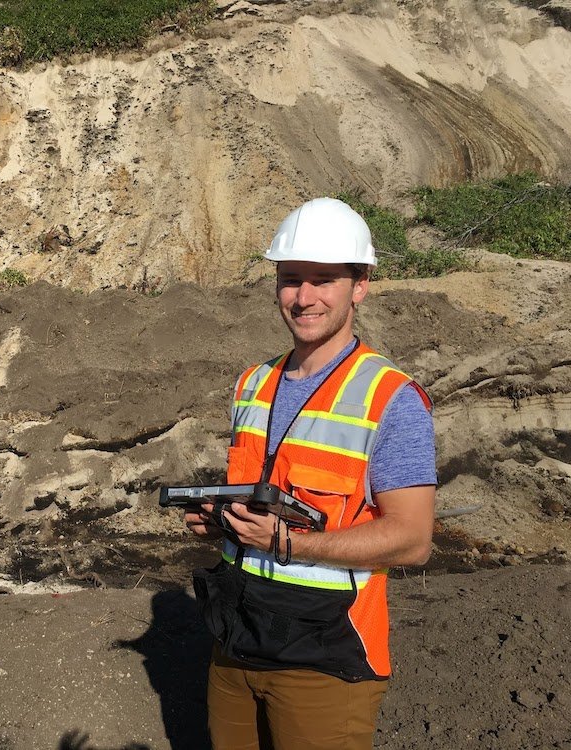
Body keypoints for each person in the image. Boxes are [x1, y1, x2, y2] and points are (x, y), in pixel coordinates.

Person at [184, 197, 437, 750]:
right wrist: (222, 522)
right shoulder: (254, 384)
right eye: (291, 279)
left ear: (360, 284)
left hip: (326, 656)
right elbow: (264, 493)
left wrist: (290, 543)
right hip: (236, 641)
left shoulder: (390, 398)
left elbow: (413, 540)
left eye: (324, 280)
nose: (304, 297)